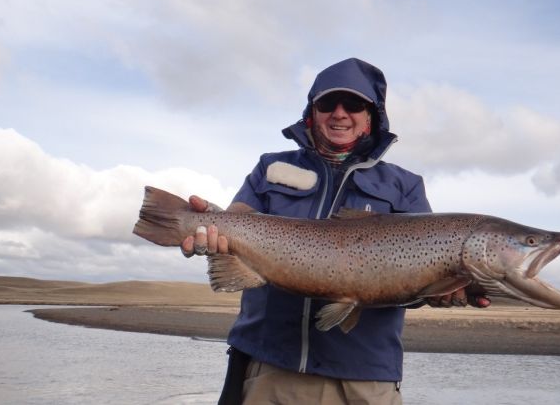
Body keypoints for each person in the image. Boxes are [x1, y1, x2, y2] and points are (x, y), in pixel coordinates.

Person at [181, 58, 490, 405]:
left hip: (363, 380)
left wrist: (439, 291)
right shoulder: (271, 167)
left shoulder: (404, 186)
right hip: (269, 368)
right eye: (328, 103)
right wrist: (209, 228)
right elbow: (238, 221)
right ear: (312, 113)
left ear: (371, 116)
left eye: (354, 104)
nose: (340, 113)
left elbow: (423, 276)